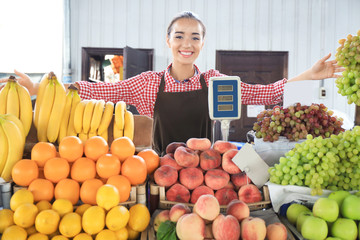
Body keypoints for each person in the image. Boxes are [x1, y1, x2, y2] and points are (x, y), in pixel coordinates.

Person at [0, 11, 344, 155]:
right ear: (168, 41)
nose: (187, 44)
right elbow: (96, 89)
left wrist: (309, 75)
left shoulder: (214, 81)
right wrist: (39, 89)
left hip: (207, 171)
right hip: (158, 168)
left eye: (195, 38)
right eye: (180, 36)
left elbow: (267, 92)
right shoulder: (147, 83)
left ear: (202, 44)